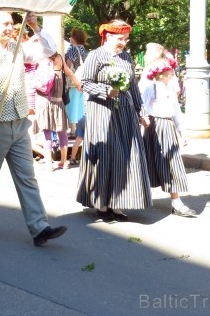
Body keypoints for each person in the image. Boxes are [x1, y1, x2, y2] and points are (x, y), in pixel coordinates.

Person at [0, 10, 67, 246]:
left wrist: (35, 27)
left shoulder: (19, 49)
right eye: (4, 24)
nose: (10, 27)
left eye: (11, 23)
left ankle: (39, 227)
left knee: (27, 177)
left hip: (20, 124)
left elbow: (49, 50)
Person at [76, 19, 152, 222]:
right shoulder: (95, 55)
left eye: (126, 39)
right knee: (106, 154)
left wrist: (141, 110)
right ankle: (101, 202)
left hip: (125, 113)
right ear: (108, 36)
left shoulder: (127, 57)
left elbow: (133, 87)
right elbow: (84, 83)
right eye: (120, 38)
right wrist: (105, 91)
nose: (124, 43)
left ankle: (117, 203)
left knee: (124, 156)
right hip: (102, 112)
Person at [140, 58, 197, 217]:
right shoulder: (151, 88)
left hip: (167, 126)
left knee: (173, 163)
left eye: (171, 71)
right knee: (149, 162)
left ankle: (176, 201)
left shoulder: (170, 89)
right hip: (154, 127)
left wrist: (182, 132)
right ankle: (140, 196)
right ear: (159, 74)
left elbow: (177, 112)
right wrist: (143, 118)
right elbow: (142, 106)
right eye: (168, 71)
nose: (172, 73)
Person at [64, 28, 88, 136]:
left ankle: (73, 129)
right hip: (82, 79)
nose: (69, 38)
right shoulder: (83, 49)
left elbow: (68, 65)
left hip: (73, 80)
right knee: (79, 104)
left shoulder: (72, 49)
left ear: (74, 38)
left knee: (71, 104)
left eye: (71, 36)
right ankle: (79, 127)